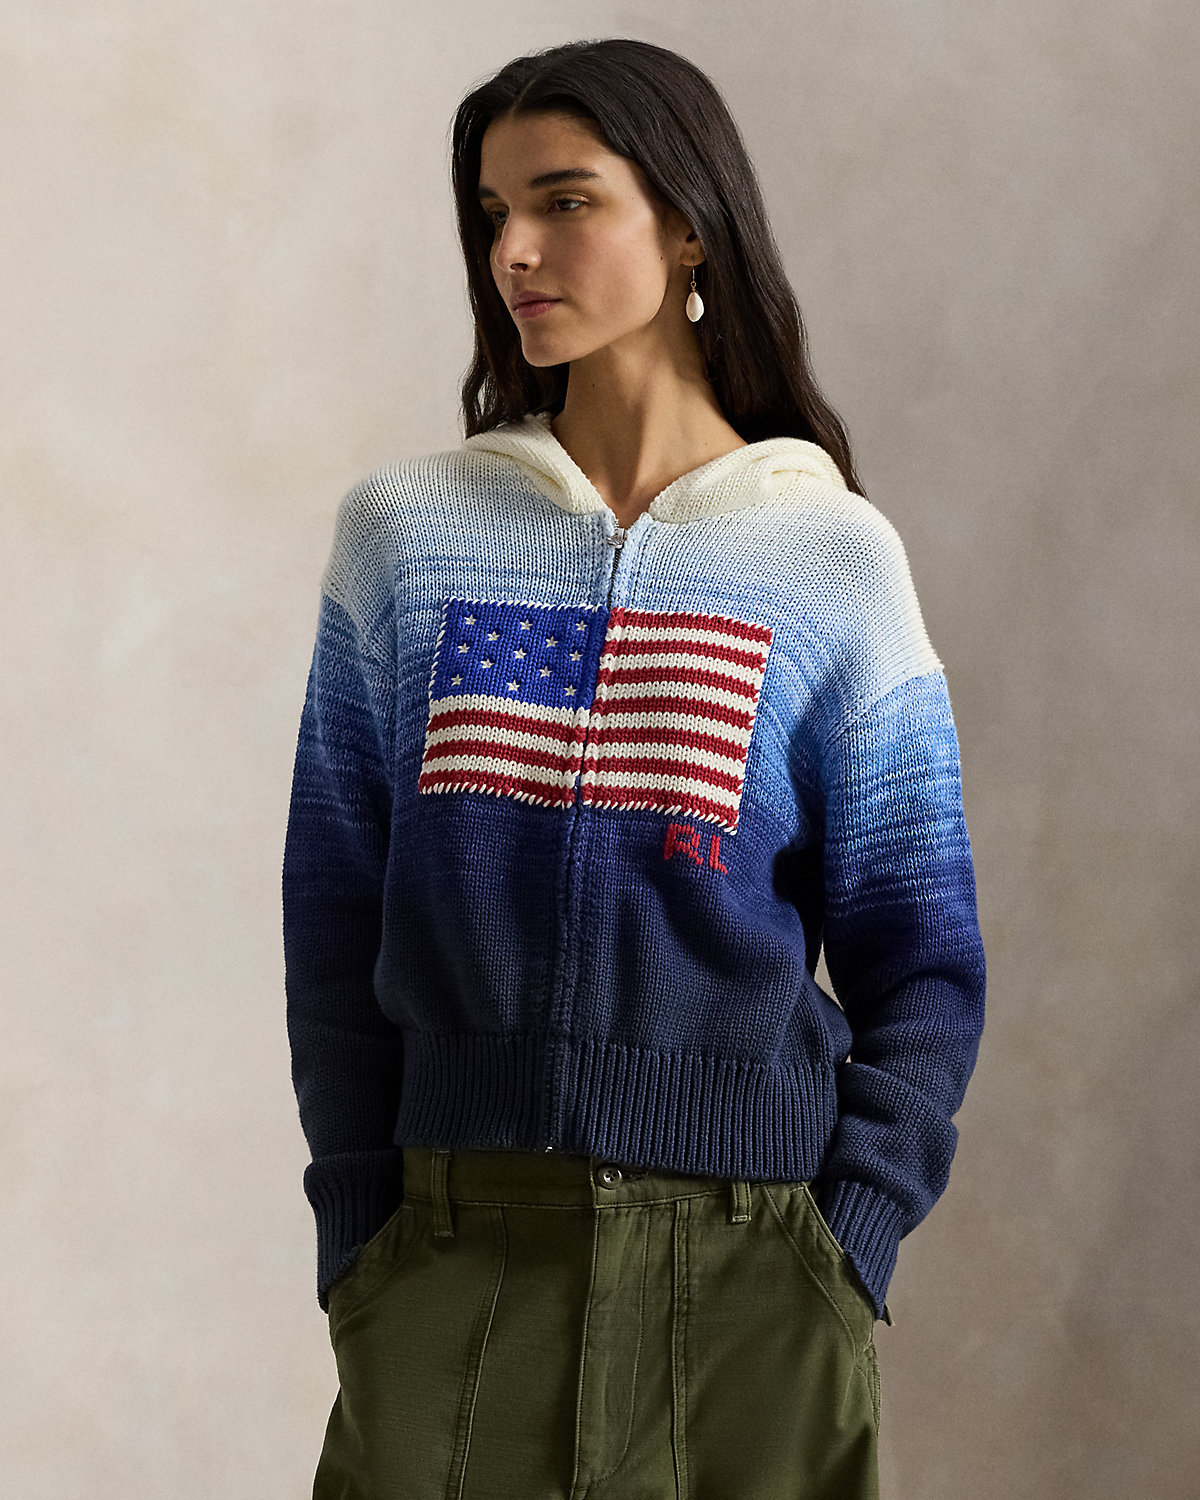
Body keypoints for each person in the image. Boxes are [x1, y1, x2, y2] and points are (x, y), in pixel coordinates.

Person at [282, 36, 986, 1500]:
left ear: (688, 227)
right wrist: (363, 1230)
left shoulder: (826, 561)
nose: (514, 253)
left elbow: (922, 952)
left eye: (565, 202)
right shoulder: (407, 537)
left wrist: (846, 1242)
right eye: (494, 214)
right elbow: (333, 912)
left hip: (752, 1279)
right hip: (453, 1254)